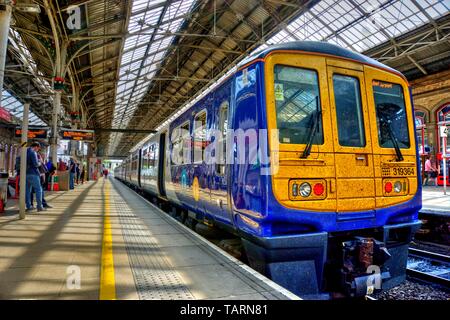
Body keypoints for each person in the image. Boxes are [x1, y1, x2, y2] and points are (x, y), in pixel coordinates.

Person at [25, 142, 45, 212]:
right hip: (33, 173)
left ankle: (28, 206)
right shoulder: (33, 153)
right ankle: (39, 206)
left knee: (27, 191)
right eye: (38, 148)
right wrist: (40, 161)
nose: (38, 150)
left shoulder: (25, 151)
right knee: (38, 189)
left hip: (26, 174)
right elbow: (36, 164)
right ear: (36, 147)